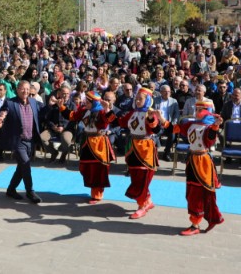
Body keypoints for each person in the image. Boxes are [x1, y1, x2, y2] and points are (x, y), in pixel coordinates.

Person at [173, 100, 224, 236]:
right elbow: (177, 128)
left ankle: (196, 223)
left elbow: (210, 139)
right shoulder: (191, 124)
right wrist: (160, 119)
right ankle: (201, 220)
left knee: (200, 192)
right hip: (192, 160)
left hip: (203, 161)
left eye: (200, 109)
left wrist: (215, 126)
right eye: (196, 108)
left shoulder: (208, 127)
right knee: (191, 191)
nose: (197, 111)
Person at [118, 87, 167, 219]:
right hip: (133, 147)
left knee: (142, 178)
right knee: (136, 176)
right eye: (137, 98)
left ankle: (142, 206)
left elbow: (157, 130)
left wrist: (151, 119)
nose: (138, 100)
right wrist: (108, 109)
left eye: (141, 99)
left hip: (145, 149)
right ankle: (148, 201)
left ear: (148, 100)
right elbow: (121, 122)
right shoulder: (133, 113)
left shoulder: (150, 113)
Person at [58, 91, 116, 204]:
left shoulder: (101, 112)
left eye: (88, 101)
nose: (85, 102)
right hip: (87, 142)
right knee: (85, 167)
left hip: (99, 143)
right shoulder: (84, 111)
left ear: (94, 102)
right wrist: (61, 107)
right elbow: (72, 116)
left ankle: (97, 194)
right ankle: (93, 189)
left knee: (98, 169)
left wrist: (107, 109)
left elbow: (111, 119)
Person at [0, 81, 43, 204]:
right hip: (18, 141)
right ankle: (30, 191)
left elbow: (45, 110)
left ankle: (11, 189)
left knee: (21, 167)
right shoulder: (10, 102)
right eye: (23, 89)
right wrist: (2, 116)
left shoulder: (34, 102)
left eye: (28, 89)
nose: (25, 91)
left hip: (30, 140)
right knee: (26, 164)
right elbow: (3, 111)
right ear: (17, 90)